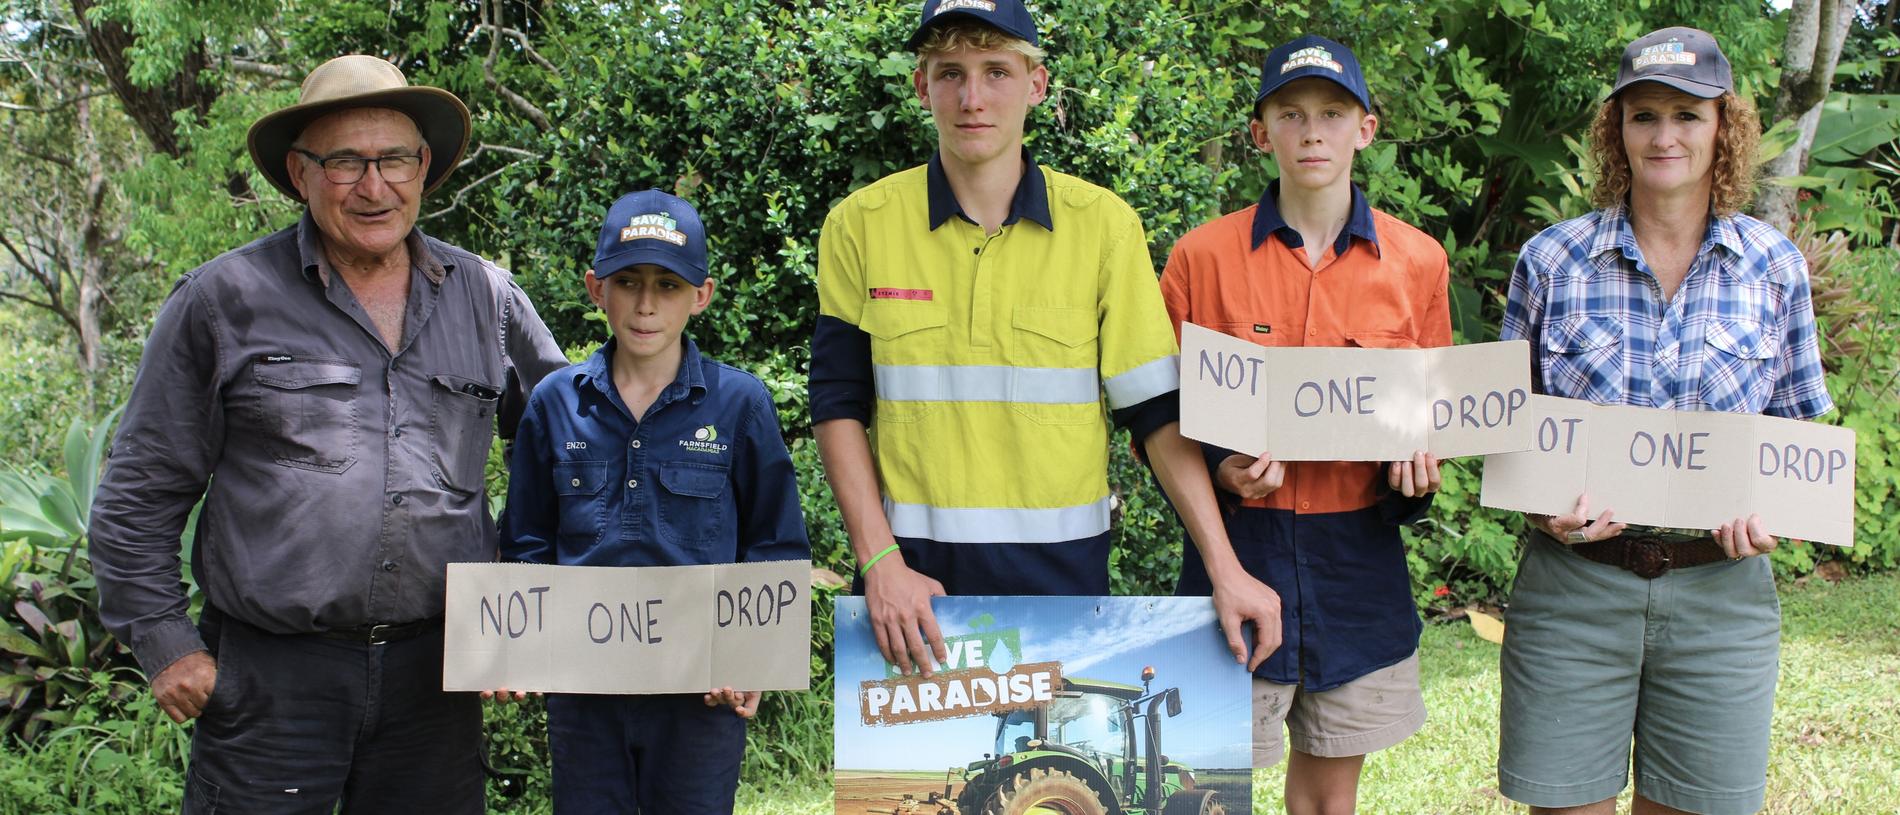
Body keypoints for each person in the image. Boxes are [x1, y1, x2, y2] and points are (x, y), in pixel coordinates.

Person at [87, 55, 567, 814]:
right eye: (345, 161)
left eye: (394, 159)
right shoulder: (222, 299)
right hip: (271, 682)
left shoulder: (488, 297)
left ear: (425, 167)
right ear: (300, 172)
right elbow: (140, 489)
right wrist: (164, 638)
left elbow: (568, 454)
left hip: (438, 678)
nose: (374, 186)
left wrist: (525, 600)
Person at [810, 0, 1278, 679]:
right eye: (951, 73)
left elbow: (1154, 413)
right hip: (911, 602)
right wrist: (879, 563)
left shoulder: (1103, 228)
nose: (972, 97)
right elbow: (837, 401)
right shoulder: (859, 225)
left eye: (997, 71)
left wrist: (1224, 567)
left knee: (1050, 787)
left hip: (1065, 597)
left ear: (1037, 85)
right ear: (922, 86)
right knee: (925, 786)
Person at [1497, 27, 1833, 815]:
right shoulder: (1551, 261)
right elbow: (1506, 432)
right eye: (1644, 114)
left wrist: (1773, 515)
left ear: (1725, 128)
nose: (1665, 135)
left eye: (1687, 114)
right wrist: (1541, 503)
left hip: (1721, 596)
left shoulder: (1773, 266)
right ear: (1617, 130)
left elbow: (1799, 436)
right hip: (1576, 588)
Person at [1159, 34, 1449, 815]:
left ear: (1367, 129)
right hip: (1238, 549)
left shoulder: (1418, 263)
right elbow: (1167, 423)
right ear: (1262, 132)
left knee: (1327, 801)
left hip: (1357, 560)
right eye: (1291, 113)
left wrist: (1416, 474)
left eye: (1331, 112)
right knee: (1204, 792)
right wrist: (1223, 468)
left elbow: (1430, 422)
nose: (1312, 131)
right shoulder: (1199, 260)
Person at [497, 189, 810, 813]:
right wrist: (518, 647)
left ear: (702, 295)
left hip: (701, 698)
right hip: (583, 696)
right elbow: (526, 540)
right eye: (628, 281)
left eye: (668, 285)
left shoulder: (739, 404)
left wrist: (753, 660)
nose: (645, 305)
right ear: (596, 288)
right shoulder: (555, 403)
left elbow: (774, 545)